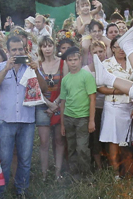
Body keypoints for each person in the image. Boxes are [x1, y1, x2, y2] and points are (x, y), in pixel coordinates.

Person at [0, 35, 48, 199]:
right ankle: (0, 193)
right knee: (5, 159)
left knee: (25, 159)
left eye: (20, 49)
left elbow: (44, 88)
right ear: (7, 51)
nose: (17, 52)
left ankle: (21, 191)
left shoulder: (30, 67)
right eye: (14, 50)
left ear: (25, 50)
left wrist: (36, 70)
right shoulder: (1, 66)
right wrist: (6, 68)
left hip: (27, 120)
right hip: (7, 120)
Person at [98, 37, 133, 178]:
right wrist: (117, 91)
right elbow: (100, 88)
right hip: (113, 106)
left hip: (131, 106)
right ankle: (115, 174)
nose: (120, 49)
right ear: (112, 48)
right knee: (113, 139)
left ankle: (128, 171)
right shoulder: (106, 64)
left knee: (126, 140)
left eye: (123, 47)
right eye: (117, 47)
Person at [58, 47, 97, 179]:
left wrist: (91, 120)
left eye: (75, 59)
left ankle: (86, 174)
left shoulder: (86, 76)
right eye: (70, 60)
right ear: (66, 62)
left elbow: (92, 99)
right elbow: (63, 102)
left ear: (80, 60)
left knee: (82, 147)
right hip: (69, 117)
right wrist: (62, 124)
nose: (73, 63)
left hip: (83, 118)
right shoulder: (65, 79)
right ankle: (74, 173)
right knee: (71, 147)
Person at [36, 36, 65, 181]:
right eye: (44, 46)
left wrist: (56, 104)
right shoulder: (38, 65)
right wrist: (48, 104)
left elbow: (65, 85)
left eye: (49, 45)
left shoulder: (62, 63)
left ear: (54, 46)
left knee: (59, 140)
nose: (47, 49)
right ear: (40, 48)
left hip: (59, 104)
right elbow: (35, 88)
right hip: (43, 105)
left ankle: (58, 172)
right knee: (44, 141)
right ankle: (44, 174)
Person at [82, 40, 107, 171]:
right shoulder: (86, 70)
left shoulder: (111, 67)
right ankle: (99, 166)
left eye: (101, 51)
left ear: (106, 51)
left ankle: (109, 162)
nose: (98, 54)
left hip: (109, 106)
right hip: (94, 108)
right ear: (91, 54)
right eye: (95, 52)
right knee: (95, 136)